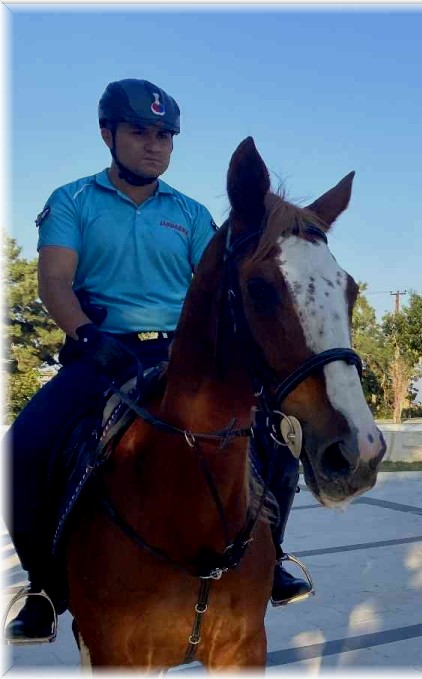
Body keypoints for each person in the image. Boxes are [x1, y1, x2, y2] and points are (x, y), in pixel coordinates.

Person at [0, 79, 307, 642]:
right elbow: (54, 281)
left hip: (179, 354)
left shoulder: (190, 214)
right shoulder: (73, 200)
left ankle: (274, 557)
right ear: (106, 133)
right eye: (139, 131)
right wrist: (87, 335)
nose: (153, 145)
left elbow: (214, 288)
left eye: (164, 135)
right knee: (23, 446)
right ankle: (43, 586)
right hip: (103, 349)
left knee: (276, 440)